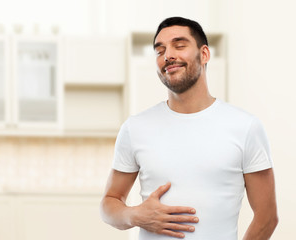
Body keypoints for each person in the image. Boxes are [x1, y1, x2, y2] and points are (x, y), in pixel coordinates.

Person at [100, 17, 278, 240]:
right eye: (160, 50)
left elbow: (267, 217)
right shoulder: (135, 128)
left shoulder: (245, 127)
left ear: (204, 54)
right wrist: (135, 215)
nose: (168, 55)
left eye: (179, 45)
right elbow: (109, 204)